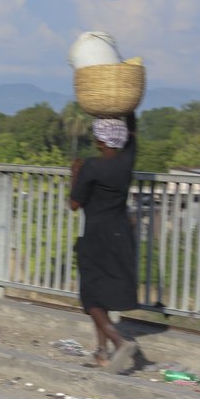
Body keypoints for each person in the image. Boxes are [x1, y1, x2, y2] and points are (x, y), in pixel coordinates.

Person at [69, 114, 140, 372]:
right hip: (121, 235)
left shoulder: (92, 167)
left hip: (96, 237)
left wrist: (74, 174)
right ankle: (101, 353)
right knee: (103, 296)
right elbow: (133, 134)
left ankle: (119, 341)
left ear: (100, 140)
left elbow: (74, 204)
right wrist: (129, 111)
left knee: (90, 296)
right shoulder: (126, 161)